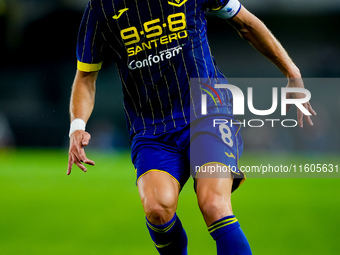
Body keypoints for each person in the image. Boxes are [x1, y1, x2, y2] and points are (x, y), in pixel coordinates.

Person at [67, 0, 316, 254]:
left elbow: (246, 24)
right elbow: (86, 75)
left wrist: (291, 72)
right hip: (152, 128)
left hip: (208, 110)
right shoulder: (102, 7)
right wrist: (77, 126)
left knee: (214, 205)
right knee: (157, 210)